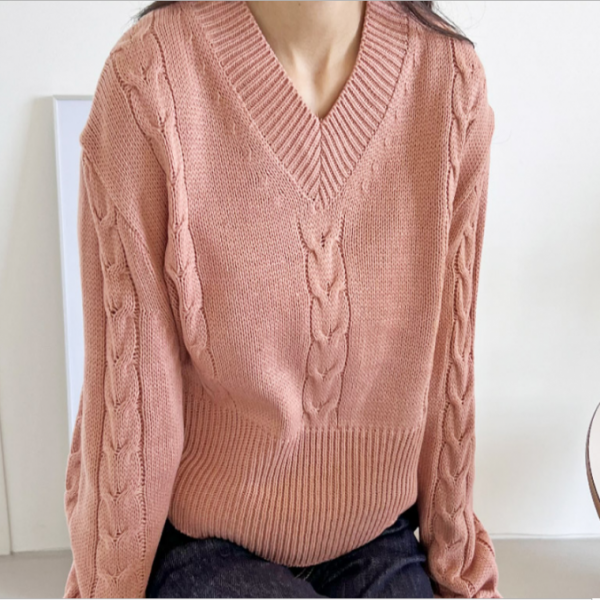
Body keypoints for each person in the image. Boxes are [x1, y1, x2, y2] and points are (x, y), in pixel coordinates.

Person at [63, 1, 501, 597]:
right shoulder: (150, 78)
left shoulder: (449, 83)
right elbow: (133, 398)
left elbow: (449, 363)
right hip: (206, 543)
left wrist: (457, 571)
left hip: (378, 532)